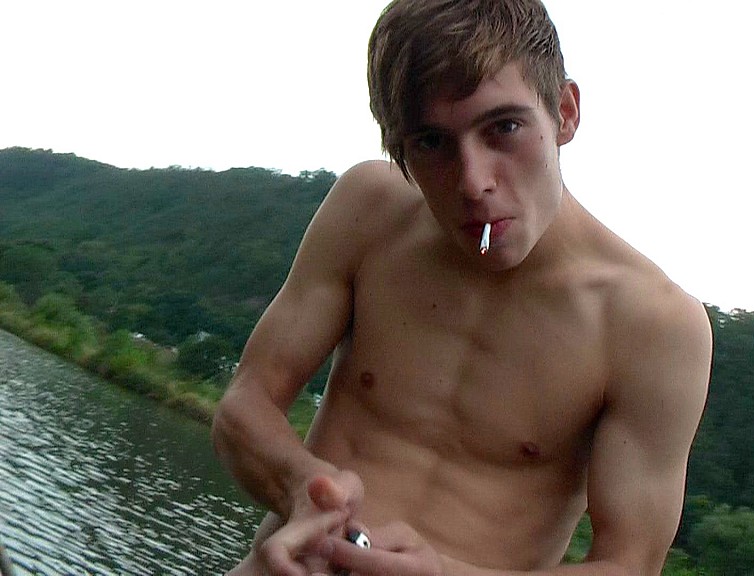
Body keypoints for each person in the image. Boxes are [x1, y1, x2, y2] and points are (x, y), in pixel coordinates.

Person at [211, 0, 712, 574]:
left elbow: (631, 564)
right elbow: (245, 403)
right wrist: (301, 486)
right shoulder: (369, 211)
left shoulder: (653, 326)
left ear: (565, 112)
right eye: (431, 142)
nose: (473, 183)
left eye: (504, 128)